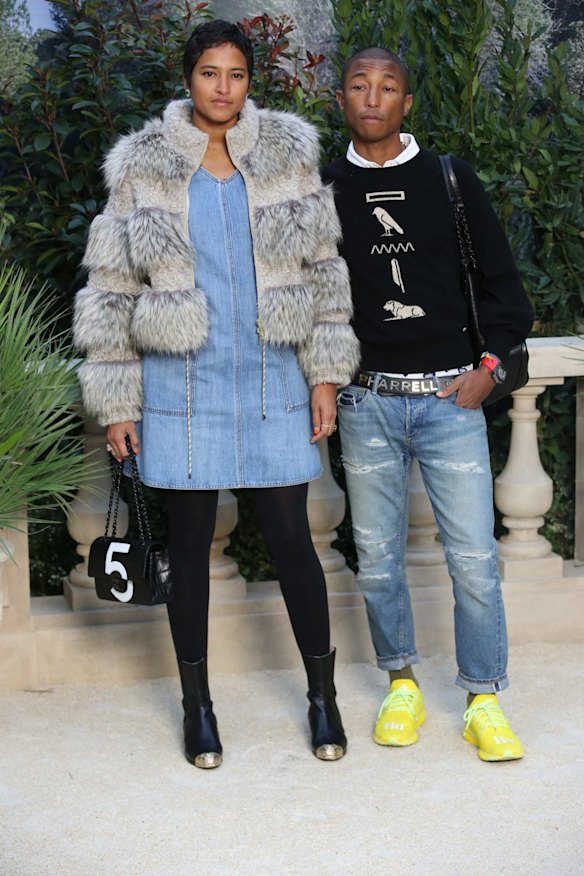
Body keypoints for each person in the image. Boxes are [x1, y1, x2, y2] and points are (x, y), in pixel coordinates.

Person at [74, 20, 360, 768]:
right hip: (183, 385)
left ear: (249, 81)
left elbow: (325, 270)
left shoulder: (288, 155)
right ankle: (197, 707)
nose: (223, 88)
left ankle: (322, 697)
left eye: (235, 74)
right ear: (188, 79)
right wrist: (118, 404)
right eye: (209, 72)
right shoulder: (143, 167)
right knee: (190, 548)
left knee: (293, 539)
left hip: (272, 378)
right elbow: (110, 290)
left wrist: (325, 374)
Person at [322, 48, 534, 762]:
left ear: (406, 102)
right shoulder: (323, 189)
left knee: (474, 559)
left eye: (387, 87)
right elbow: (312, 300)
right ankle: (402, 684)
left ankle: (483, 699)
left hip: (451, 402)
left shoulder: (449, 178)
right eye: (359, 86)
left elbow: (506, 292)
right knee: (378, 559)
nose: (372, 98)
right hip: (368, 402)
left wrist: (488, 371)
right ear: (341, 99)